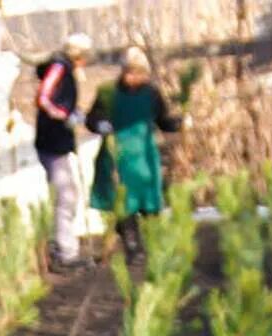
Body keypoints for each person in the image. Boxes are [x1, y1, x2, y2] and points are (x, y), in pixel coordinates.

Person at [88, 47, 184, 261]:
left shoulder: (151, 94)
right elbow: (92, 119)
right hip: (117, 156)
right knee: (125, 203)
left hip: (144, 156)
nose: (135, 77)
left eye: (140, 73)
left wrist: (177, 122)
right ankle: (133, 248)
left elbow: (163, 120)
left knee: (150, 203)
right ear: (123, 72)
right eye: (131, 72)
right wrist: (100, 124)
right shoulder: (108, 92)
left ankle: (159, 249)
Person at [33, 33, 93, 269]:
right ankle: (65, 252)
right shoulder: (59, 68)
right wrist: (64, 116)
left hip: (57, 141)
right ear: (79, 55)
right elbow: (44, 97)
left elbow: (62, 100)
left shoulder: (66, 71)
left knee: (68, 193)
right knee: (66, 194)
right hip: (52, 142)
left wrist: (76, 114)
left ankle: (65, 247)